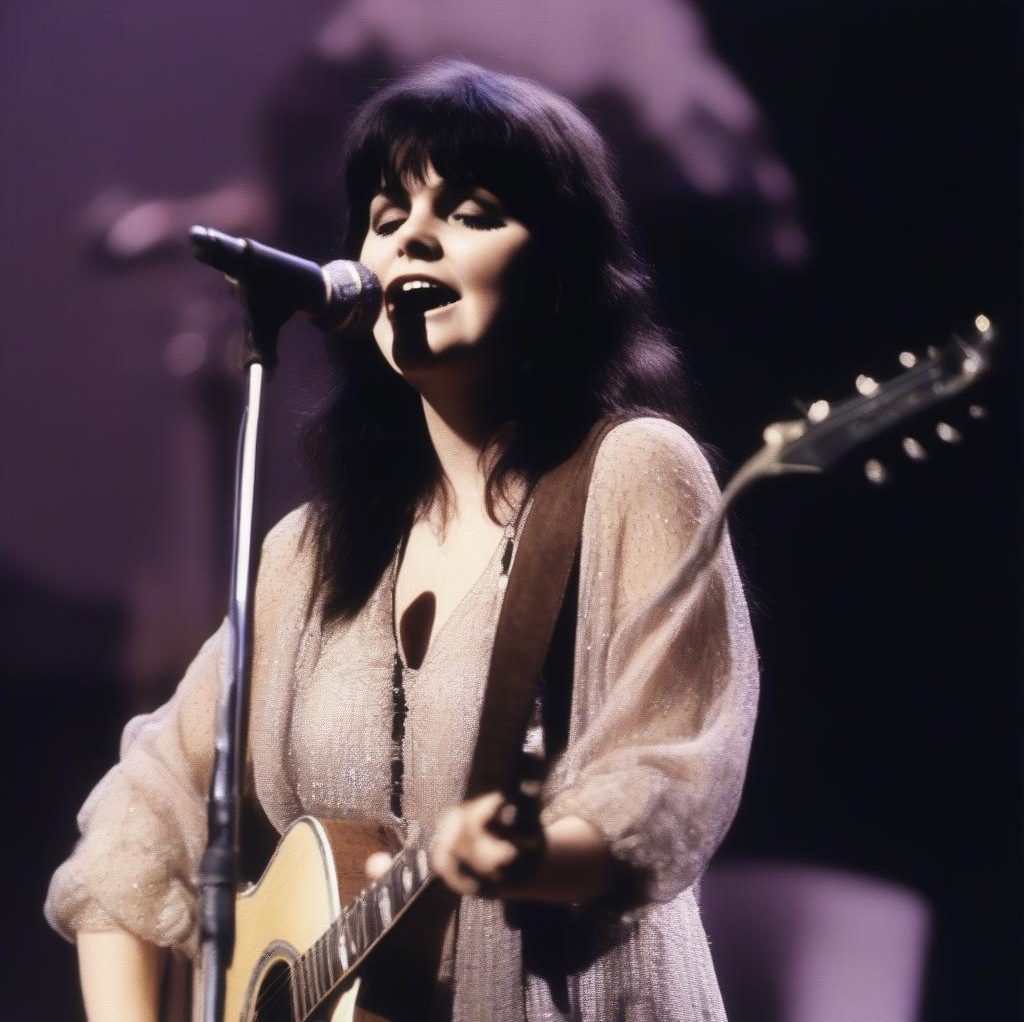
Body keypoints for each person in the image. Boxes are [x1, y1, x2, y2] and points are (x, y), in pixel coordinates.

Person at [46, 61, 758, 1021]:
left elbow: (670, 762)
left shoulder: (632, 472)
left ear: (558, 270)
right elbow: (139, 820)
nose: (412, 233)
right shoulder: (307, 555)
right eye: (386, 217)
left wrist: (541, 848)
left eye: (468, 212)